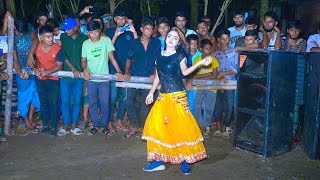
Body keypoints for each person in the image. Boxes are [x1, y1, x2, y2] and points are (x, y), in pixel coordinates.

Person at [142, 27, 209, 175]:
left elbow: (185, 72)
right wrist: (151, 92)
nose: (171, 39)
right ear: (165, 38)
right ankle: (159, 160)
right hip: (163, 96)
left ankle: (184, 161)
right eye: (170, 36)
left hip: (178, 97)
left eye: (175, 38)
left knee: (180, 128)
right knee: (158, 127)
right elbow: (159, 76)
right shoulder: (159, 55)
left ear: (179, 42)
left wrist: (200, 63)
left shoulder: (179, 56)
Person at [81, 21, 123, 136]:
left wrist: (118, 71)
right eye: (91, 33)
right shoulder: (85, 44)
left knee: (105, 103)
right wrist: (85, 70)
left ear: (99, 30)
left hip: (104, 79)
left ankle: (104, 125)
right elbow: (83, 60)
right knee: (92, 103)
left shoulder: (106, 41)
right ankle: (95, 125)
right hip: (91, 79)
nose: (93, 35)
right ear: (88, 33)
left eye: (95, 32)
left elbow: (112, 57)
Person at [123, 17, 161, 137]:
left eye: (151, 29)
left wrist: (155, 73)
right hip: (134, 76)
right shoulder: (134, 42)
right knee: (128, 101)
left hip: (149, 76)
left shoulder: (156, 42)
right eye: (147, 29)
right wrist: (127, 72)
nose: (149, 31)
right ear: (141, 29)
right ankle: (135, 125)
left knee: (146, 103)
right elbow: (128, 60)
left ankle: (143, 127)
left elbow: (157, 60)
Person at [107, 9, 138, 132]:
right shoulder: (110, 31)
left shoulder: (129, 32)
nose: (120, 20)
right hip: (113, 69)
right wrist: (115, 34)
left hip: (127, 69)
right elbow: (108, 49)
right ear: (115, 19)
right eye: (118, 18)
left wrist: (134, 30)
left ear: (126, 19)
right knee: (112, 97)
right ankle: (109, 122)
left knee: (123, 97)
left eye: (123, 18)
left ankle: (119, 120)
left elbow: (137, 46)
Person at [57, 18, 88, 136]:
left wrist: (83, 70)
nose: (67, 31)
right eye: (65, 29)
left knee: (76, 100)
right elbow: (63, 54)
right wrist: (72, 68)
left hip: (79, 76)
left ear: (76, 27)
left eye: (69, 28)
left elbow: (85, 57)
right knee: (65, 101)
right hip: (66, 74)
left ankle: (74, 124)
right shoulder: (63, 37)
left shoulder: (84, 39)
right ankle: (66, 124)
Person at [34, 25, 63, 137]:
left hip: (53, 79)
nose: (51, 39)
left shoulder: (57, 49)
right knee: (43, 102)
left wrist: (47, 72)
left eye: (51, 36)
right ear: (41, 38)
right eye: (48, 37)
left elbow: (59, 66)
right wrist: (35, 69)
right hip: (40, 79)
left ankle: (54, 126)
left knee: (53, 102)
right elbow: (32, 62)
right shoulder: (35, 47)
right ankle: (45, 125)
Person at [13, 18, 41, 132]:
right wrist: (20, 73)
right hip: (20, 67)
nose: (22, 34)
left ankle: (30, 118)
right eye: (20, 33)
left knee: (36, 93)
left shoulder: (28, 26)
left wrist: (30, 55)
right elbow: (14, 58)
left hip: (33, 66)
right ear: (15, 27)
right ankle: (26, 120)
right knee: (23, 96)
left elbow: (35, 40)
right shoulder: (11, 36)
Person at [213, 29, 238, 139]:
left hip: (230, 83)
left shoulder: (234, 52)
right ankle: (218, 127)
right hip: (217, 82)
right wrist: (220, 75)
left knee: (229, 104)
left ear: (229, 39)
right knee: (217, 105)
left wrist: (223, 73)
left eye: (227, 39)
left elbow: (236, 70)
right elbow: (214, 70)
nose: (225, 41)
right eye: (222, 39)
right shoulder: (215, 54)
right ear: (219, 40)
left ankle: (226, 126)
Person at [193, 39, 219, 138]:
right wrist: (208, 74)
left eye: (209, 49)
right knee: (197, 106)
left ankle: (206, 126)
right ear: (201, 49)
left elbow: (214, 76)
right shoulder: (197, 60)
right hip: (199, 87)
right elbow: (194, 76)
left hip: (211, 88)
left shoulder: (214, 60)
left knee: (209, 107)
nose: (208, 51)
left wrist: (203, 76)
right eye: (206, 49)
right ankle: (200, 126)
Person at [185, 34, 202, 114]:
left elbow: (200, 70)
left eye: (196, 44)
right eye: (192, 44)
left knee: (193, 104)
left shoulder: (201, 56)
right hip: (183, 82)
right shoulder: (183, 55)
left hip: (196, 82)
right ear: (188, 44)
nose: (194, 46)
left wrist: (191, 79)